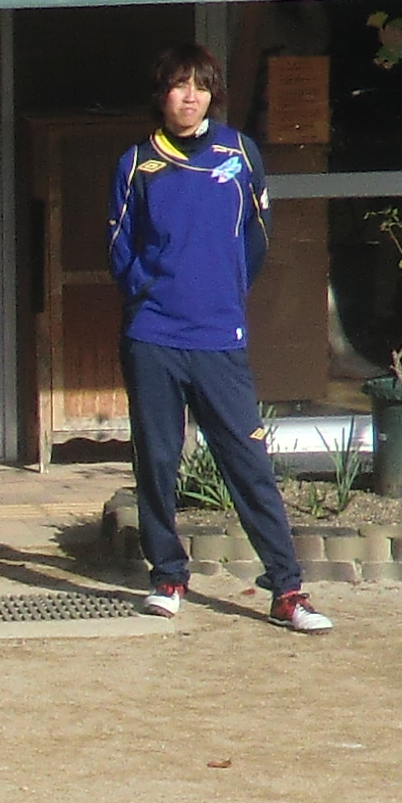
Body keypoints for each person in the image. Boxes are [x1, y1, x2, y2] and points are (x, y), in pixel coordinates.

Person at [110, 43, 332, 634]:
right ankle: (167, 576)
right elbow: (120, 250)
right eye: (180, 85)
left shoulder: (240, 153)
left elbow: (258, 236)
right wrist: (152, 292)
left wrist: (224, 291)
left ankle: (286, 590)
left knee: (247, 463)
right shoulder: (135, 164)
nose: (191, 97)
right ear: (161, 94)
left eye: (201, 86)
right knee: (157, 461)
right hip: (153, 337)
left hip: (219, 338)